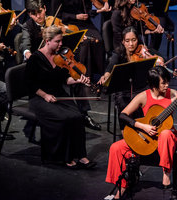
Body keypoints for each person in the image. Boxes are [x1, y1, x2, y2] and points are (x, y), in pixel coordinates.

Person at [105, 66, 177, 199]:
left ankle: (166, 173)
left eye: (167, 82)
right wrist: (142, 126)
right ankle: (122, 186)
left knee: (165, 133)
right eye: (163, 83)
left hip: (167, 137)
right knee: (115, 148)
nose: (167, 85)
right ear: (153, 85)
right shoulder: (144, 96)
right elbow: (123, 115)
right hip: (146, 135)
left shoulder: (173, 94)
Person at [20, 0, 101, 135]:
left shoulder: (54, 21)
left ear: (45, 8)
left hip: (59, 60)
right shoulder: (27, 26)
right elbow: (25, 43)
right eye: (34, 14)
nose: (38, 16)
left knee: (76, 75)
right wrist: (27, 53)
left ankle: (84, 114)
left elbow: (66, 37)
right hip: (42, 65)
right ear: (29, 14)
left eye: (40, 12)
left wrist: (79, 37)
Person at [25, 25, 96, 168]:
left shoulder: (60, 58)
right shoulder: (35, 59)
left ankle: (81, 155)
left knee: (77, 115)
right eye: (57, 41)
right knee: (63, 118)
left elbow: (65, 79)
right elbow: (29, 85)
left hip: (58, 94)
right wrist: (45, 95)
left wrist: (78, 79)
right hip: (39, 97)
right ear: (47, 41)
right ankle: (62, 157)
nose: (61, 44)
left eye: (61, 41)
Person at [98, 26, 165, 131]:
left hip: (141, 88)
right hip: (123, 91)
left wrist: (157, 60)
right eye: (127, 41)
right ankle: (126, 132)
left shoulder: (143, 50)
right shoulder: (118, 53)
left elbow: (161, 58)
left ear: (137, 40)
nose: (131, 44)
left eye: (134, 40)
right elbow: (110, 66)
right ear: (123, 42)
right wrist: (105, 76)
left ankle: (148, 129)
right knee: (124, 103)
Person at [59, 0, 111, 79]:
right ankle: (86, 76)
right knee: (85, 42)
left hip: (84, 23)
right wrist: (75, 16)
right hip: (68, 24)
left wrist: (100, 10)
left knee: (98, 40)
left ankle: (102, 75)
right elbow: (58, 15)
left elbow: (88, 12)